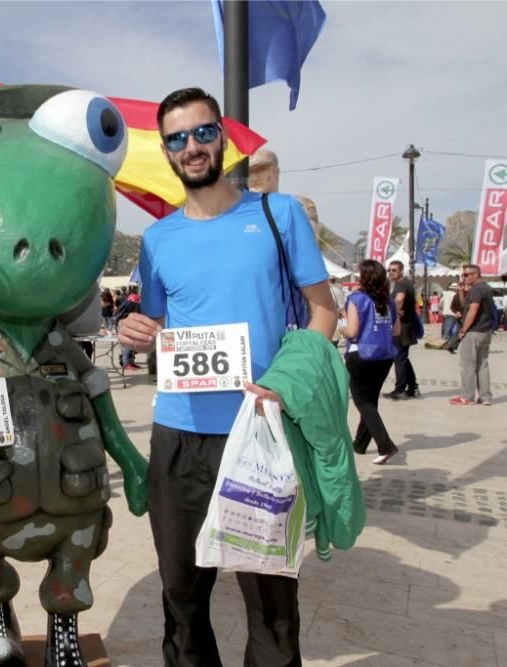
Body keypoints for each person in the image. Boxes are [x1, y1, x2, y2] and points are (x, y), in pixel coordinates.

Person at [118, 87, 336, 666]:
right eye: (178, 138)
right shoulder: (158, 239)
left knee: (272, 606)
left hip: (259, 433)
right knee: (182, 597)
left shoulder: (276, 213)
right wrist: (137, 332)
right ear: (166, 151)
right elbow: (157, 325)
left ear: (224, 137)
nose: (193, 146)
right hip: (178, 436)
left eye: (203, 132)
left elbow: (325, 310)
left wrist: (286, 380)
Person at [341, 260, 401, 464]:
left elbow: (352, 331)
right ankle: (360, 443)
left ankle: (385, 445)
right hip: (384, 355)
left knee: (362, 401)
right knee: (371, 400)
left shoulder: (356, 299)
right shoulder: (389, 300)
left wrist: (341, 328)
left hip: (361, 354)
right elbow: (397, 330)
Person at [450, 264, 495, 406]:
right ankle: (485, 397)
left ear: (476, 274)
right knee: (483, 365)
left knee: (467, 365)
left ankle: (467, 397)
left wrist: (463, 329)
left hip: (474, 331)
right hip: (485, 331)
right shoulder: (486, 288)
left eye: (466, 275)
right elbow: (466, 306)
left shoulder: (477, 289)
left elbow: (472, 311)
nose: (464, 277)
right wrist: (462, 291)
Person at [384, 260, 420, 399]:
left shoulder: (401, 285)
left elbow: (399, 299)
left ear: (401, 271)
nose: (391, 273)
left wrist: (395, 311)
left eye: (394, 270)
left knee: (399, 358)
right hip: (406, 325)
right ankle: (412, 387)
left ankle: (400, 390)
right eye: (389, 270)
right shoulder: (407, 284)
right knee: (403, 358)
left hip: (402, 326)